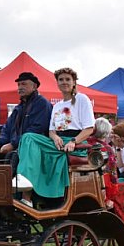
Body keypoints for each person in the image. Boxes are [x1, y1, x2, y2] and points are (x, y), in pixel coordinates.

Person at [15, 67, 95, 206]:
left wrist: (73, 141)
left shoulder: (82, 99)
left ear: (74, 82)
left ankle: (40, 195)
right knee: (28, 137)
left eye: (68, 79)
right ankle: (25, 193)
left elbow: (89, 128)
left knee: (34, 143)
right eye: (61, 79)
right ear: (57, 83)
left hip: (75, 142)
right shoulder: (57, 105)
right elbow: (52, 130)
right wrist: (55, 137)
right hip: (57, 142)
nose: (64, 82)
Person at [0, 71, 50, 161]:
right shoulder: (18, 108)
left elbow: (36, 129)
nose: (20, 87)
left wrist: (13, 144)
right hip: (17, 146)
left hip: (35, 147)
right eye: (19, 85)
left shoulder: (42, 103)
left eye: (24, 84)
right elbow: (7, 129)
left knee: (13, 157)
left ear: (34, 86)